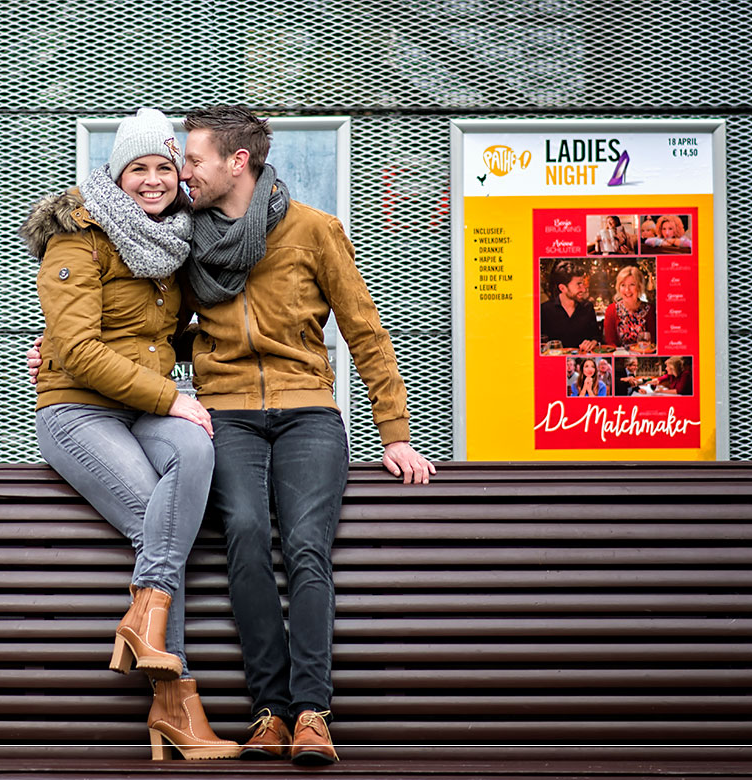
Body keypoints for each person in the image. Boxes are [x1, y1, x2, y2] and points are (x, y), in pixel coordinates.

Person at [180, 105, 434, 766]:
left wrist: (396, 433)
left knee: (305, 545)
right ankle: (269, 711)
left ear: (237, 162)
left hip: (308, 414)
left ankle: (312, 713)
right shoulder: (184, 242)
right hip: (227, 412)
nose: (184, 171)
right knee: (242, 531)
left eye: (194, 158)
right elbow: (141, 327)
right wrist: (56, 354)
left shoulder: (314, 230)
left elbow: (366, 332)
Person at [19, 108, 238, 762]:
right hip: (77, 412)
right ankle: (177, 701)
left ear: (178, 175)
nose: (151, 181)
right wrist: (174, 397)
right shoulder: (78, 237)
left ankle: (145, 622)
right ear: (117, 175)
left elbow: (167, 336)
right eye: (138, 168)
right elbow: (82, 352)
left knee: (199, 446)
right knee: (156, 522)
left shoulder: (172, 242)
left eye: (163, 168)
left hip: (141, 409)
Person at [540, 259, 601, 352]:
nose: (583, 289)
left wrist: (592, 342)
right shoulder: (545, 310)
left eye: (583, 283)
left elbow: (596, 336)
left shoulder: (587, 307)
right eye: (578, 284)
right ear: (563, 288)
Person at [603, 265, 656, 348]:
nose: (627, 290)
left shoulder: (650, 310)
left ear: (639, 287)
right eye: (623, 285)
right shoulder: (611, 310)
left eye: (632, 285)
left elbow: (653, 343)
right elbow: (610, 344)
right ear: (618, 288)